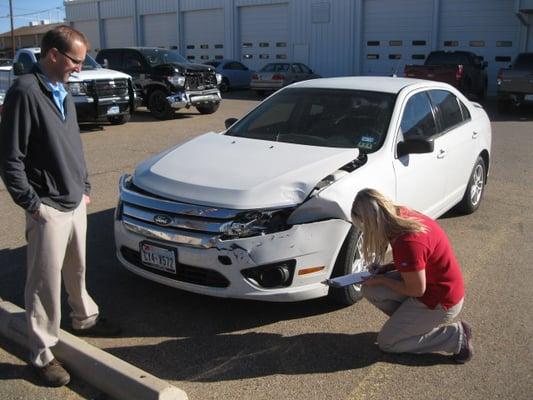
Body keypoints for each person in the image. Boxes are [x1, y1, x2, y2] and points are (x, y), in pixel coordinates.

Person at [0, 26, 120, 387]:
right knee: (43, 283)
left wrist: (84, 186)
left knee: (77, 269)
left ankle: (85, 318)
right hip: (47, 207)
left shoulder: (62, 91)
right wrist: (32, 204)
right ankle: (41, 352)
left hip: (73, 201)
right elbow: (10, 158)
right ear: (53, 54)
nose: (79, 69)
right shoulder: (25, 91)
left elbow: (73, 147)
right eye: (75, 61)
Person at [351, 188, 473, 363]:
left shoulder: (407, 242)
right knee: (372, 289)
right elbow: (418, 264)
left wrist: (383, 279)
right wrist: (386, 269)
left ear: (372, 222)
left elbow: (416, 289)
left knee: (387, 343)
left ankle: (455, 338)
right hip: (430, 287)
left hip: (440, 299)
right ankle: (408, 326)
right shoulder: (402, 215)